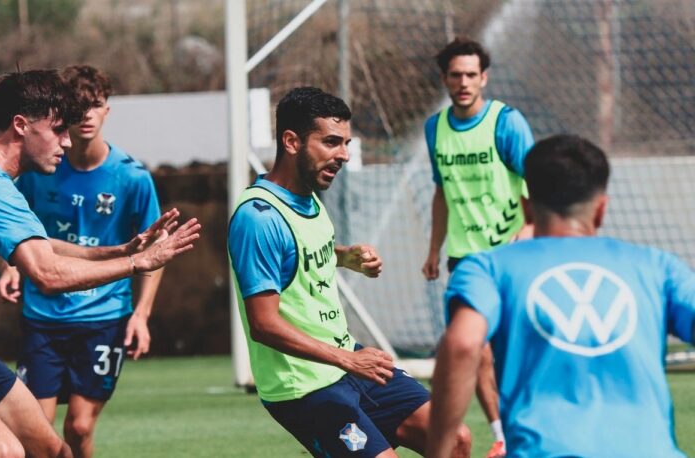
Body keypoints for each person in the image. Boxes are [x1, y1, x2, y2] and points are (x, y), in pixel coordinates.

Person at [0, 69, 200, 458]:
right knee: (6, 453)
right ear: (21, 125)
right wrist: (139, 262)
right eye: (58, 129)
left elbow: (43, 246)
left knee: (53, 451)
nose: (67, 142)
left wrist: (119, 250)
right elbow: (48, 274)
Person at [228, 86, 470, 458]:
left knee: (454, 439)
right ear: (291, 141)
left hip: (346, 362)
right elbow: (263, 324)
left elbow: (296, 256)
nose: (343, 154)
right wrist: (347, 360)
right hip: (304, 384)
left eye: (345, 143)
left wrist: (342, 256)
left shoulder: (308, 198)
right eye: (331, 142)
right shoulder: (258, 218)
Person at [426, 134, 694, 457]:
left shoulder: (488, 268)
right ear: (601, 210)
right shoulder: (657, 266)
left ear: (526, 208)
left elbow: (462, 344)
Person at [0, 65, 162, 458]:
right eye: (78, 106)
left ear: (108, 111)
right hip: (44, 317)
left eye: (96, 105)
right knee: (34, 432)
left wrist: (141, 314)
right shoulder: (39, 167)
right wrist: (9, 267)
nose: (86, 114)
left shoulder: (132, 177)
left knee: (80, 428)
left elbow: (155, 252)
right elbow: (6, 225)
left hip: (104, 318)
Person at [421, 36, 535, 458]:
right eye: (456, 75)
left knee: (518, 347)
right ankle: (501, 435)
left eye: (471, 74)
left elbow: (536, 182)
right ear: (445, 79)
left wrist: (533, 229)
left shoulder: (507, 122)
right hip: (466, 260)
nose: (464, 82)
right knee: (479, 348)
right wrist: (434, 249)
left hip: (514, 255)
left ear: (484, 78)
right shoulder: (435, 128)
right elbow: (440, 191)